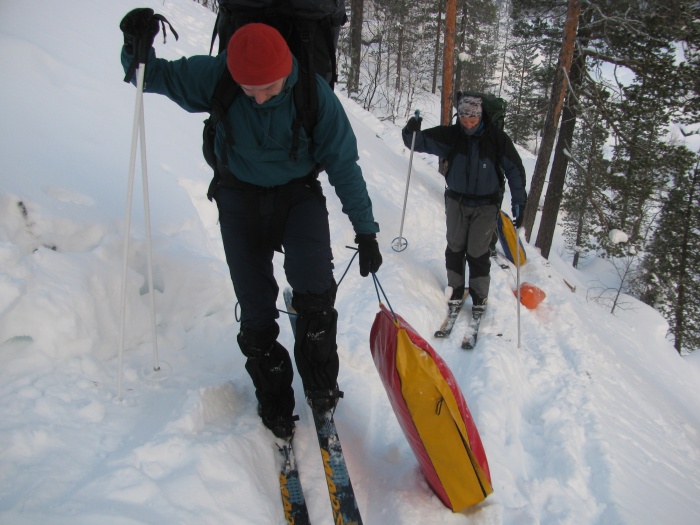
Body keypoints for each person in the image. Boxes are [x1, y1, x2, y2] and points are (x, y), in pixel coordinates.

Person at [119, 10, 382, 439]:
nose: (258, 98)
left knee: (315, 293)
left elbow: (344, 166)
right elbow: (147, 76)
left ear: (287, 74)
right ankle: (274, 395)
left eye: (269, 89)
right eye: (248, 90)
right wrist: (136, 46)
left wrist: (366, 230)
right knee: (256, 308)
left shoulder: (313, 95)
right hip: (238, 197)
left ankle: (321, 383)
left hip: (298, 196)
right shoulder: (219, 76)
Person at [402, 94, 527, 318]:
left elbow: (515, 170)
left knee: (478, 251)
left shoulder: (497, 139)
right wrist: (411, 131)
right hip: (456, 201)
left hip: (487, 204)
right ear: (459, 117)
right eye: (464, 120)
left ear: (480, 117)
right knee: (455, 247)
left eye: (473, 121)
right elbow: (417, 142)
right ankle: (455, 290)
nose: (468, 125)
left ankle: (479, 297)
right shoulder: (452, 135)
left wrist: (520, 202)